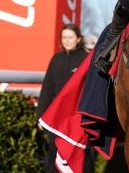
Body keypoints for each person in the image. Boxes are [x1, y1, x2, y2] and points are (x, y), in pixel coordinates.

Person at [37, 23, 90, 173]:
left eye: (70, 37)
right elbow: (47, 89)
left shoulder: (86, 59)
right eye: (64, 37)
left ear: (78, 39)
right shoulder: (56, 59)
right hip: (56, 117)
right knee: (54, 156)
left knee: (79, 157)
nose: (67, 40)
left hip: (77, 118)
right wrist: (40, 116)